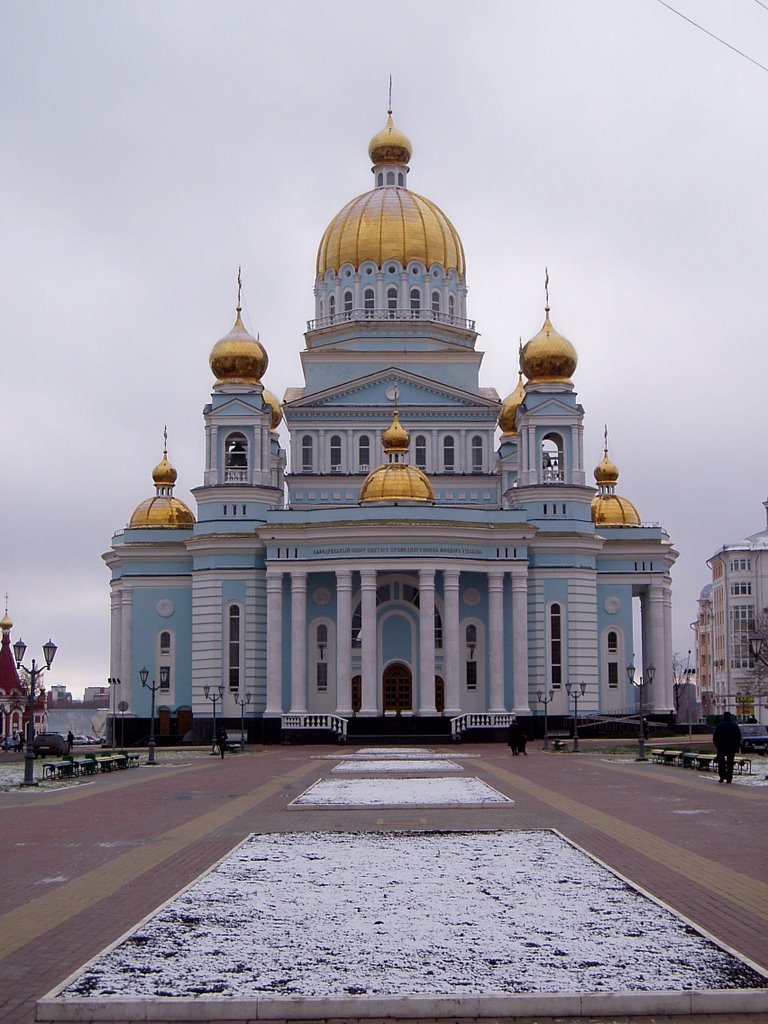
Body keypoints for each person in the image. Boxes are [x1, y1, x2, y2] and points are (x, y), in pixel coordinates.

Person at [712, 712, 742, 784]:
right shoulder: (735, 726)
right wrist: (736, 746)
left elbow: (715, 737)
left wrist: (717, 745)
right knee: (730, 763)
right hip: (731, 748)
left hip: (721, 747)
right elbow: (739, 736)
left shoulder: (719, 726)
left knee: (721, 762)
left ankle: (722, 777)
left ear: (723, 717)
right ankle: (729, 778)